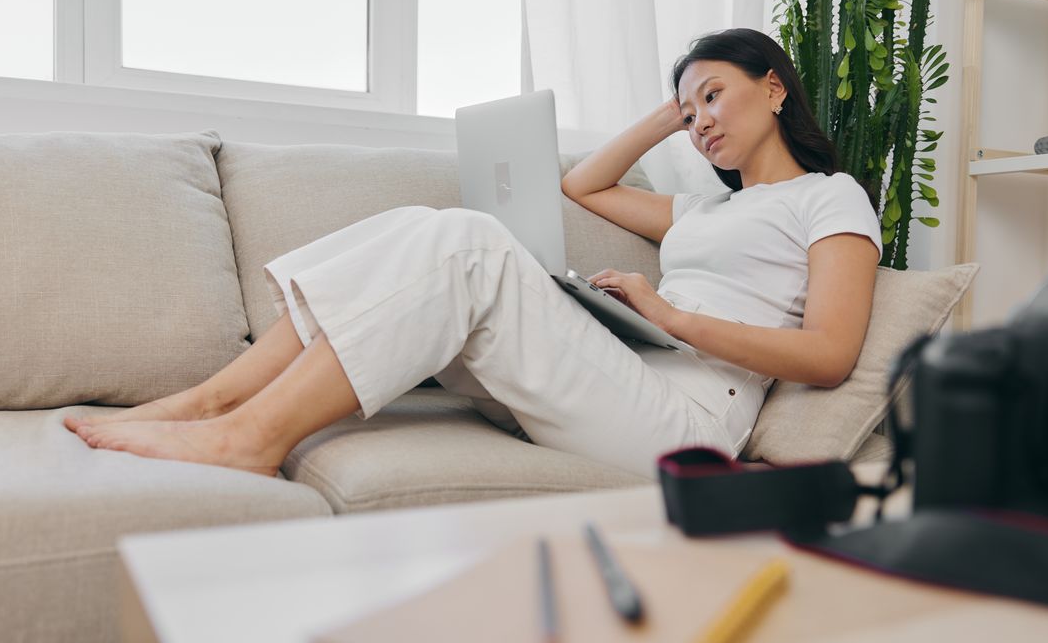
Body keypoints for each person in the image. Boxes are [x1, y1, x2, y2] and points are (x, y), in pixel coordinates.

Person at [63, 28, 882, 479]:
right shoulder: (702, 205)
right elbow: (585, 186)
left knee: (467, 242)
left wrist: (671, 314)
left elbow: (831, 352)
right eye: (690, 108)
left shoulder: (829, 197)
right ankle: (210, 402)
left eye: (716, 97)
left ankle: (248, 439)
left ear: (774, 87)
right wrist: (668, 115)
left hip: (689, 427)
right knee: (421, 225)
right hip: (623, 383)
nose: (701, 121)